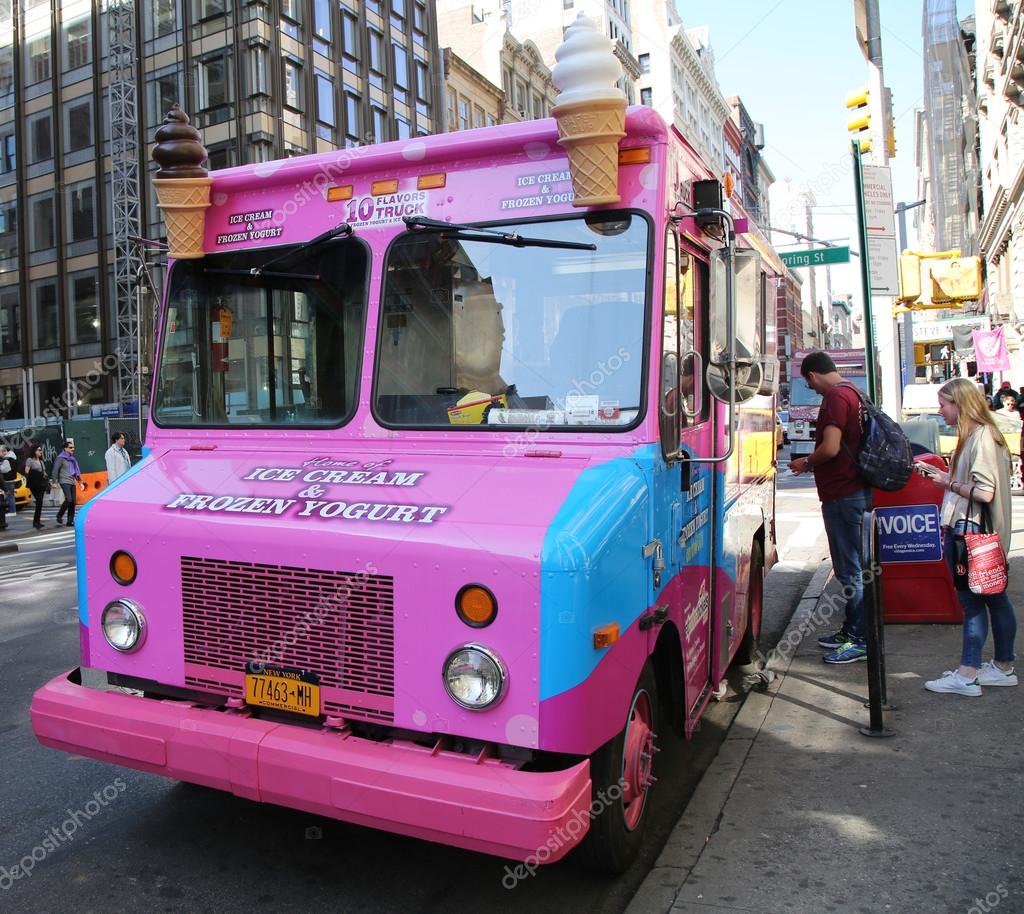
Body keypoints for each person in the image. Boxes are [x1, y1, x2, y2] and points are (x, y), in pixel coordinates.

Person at [916, 378, 1017, 695]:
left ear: (960, 404)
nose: (939, 410)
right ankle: (1002, 667)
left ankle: (967, 674)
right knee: (995, 599)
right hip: (983, 533)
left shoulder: (980, 438)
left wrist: (946, 481)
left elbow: (984, 493)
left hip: (969, 532)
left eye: (943, 404)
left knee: (973, 604)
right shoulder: (986, 435)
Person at [787, 351, 870, 663]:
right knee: (853, 569)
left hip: (843, 494)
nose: (814, 390)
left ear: (812, 376)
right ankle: (851, 631)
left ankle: (859, 640)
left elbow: (831, 447)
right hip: (853, 491)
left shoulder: (836, 397)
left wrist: (805, 462)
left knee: (851, 571)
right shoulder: (855, 392)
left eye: (810, 385)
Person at [52, 441, 85, 528]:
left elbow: (75, 472)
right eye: (70, 447)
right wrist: (54, 482)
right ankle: (59, 515)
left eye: (73, 447)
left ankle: (70, 521)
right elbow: (55, 470)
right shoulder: (60, 458)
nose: (72, 449)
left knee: (73, 502)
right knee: (69, 499)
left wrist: (80, 482)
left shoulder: (72, 459)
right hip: (64, 481)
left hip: (72, 481)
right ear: (65, 448)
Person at [24, 444, 51, 529]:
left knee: (40, 503)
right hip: (34, 484)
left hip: (41, 484)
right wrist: (34, 474)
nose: (40, 451)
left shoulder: (41, 461)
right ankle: (36, 522)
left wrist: (49, 481)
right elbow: (26, 471)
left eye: (40, 450)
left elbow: (44, 473)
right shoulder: (30, 460)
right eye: (38, 450)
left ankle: (37, 521)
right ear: (34, 451)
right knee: (39, 501)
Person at [0, 443, 17, 514]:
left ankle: (12, 511)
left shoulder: (7, 459)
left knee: (10, 496)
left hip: (8, 480)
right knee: (10, 496)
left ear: (4, 451)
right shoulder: (12, 457)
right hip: (11, 479)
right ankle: (9, 509)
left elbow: (4, 470)